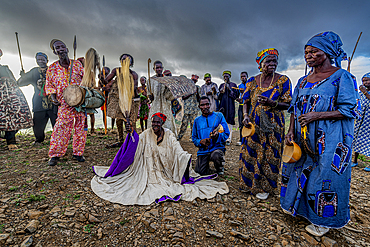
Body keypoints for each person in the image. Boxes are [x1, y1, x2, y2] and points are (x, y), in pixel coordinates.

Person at [281, 31, 359, 237]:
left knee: (326, 176)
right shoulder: (302, 81)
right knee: (299, 169)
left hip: (331, 139)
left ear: (327, 53)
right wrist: (290, 131)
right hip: (302, 136)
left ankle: (323, 221)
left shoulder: (343, 77)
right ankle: (300, 209)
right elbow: (293, 110)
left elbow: (349, 110)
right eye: (306, 52)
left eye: (314, 51)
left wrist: (317, 115)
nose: (308, 55)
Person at [91, 112, 229, 205]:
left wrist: (184, 157)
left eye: (158, 123)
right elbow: (136, 143)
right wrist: (131, 132)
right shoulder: (147, 133)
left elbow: (177, 149)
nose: (155, 125)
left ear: (162, 123)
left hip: (166, 170)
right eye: (153, 123)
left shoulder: (169, 135)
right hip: (149, 170)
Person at [240, 48, 292, 200]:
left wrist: (272, 103)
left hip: (274, 125)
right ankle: (248, 184)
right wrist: (245, 115)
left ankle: (266, 187)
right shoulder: (252, 81)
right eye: (268, 61)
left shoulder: (283, 80)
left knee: (269, 154)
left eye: (274, 61)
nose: (272, 64)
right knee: (252, 152)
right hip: (254, 124)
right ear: (260, 64)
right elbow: (245, 101)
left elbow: (288, 104)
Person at [45, 39, 85, 166]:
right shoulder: (52, 68)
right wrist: (53, 97)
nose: (61, 49)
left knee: (80, 127)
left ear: (67, 49)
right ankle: (56, 154)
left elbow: (85, 80)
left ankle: (78, 153)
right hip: (64, 102)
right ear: (54, 51)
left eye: (62, 46)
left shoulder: (77, 64)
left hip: (80, 101)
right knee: (61, 128)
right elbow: (49, 84)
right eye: (58, 48)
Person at [17, 52, 58, 145]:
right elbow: (20, 83)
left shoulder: (53, 71)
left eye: (42, 59)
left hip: (53, 102)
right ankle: (39, 140)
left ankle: (58, 140)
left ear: (47, 60)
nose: (40, 61)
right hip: (39, 102)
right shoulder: (33, 72)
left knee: (56, 122)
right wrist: (22, 77)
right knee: (37, 123)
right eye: (38, 60)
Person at [103, 54, 140, 148]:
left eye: (127, 60)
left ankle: (132, 140)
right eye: (123, 59)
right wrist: (102, 78)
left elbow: (134, 90)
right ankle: (120, 141)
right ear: (120, 61)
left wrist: (135, 101)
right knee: (119, 121)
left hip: (128, 100)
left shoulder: (133, 74)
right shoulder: (116, 70)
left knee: (130, 121)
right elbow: (106, 81)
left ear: (131, 63)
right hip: (117, 99)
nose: (125, 61)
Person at [0, 49, 33, 150]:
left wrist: (23, 77)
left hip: (8, 99)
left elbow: (15, 82)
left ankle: (11, 141)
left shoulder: (5, 69)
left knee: (10, 118)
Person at [192, 96, 230, 175]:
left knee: (217, 155)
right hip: (203, 151)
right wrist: (200, 141)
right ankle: (205, 166)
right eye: (202, 105)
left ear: (210, 104)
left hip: (217, 148)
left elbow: (226, 133)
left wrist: (217, 136)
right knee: (199, 172)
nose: (205, 107)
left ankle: (219, 167)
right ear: (199, 106)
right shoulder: (197, 121)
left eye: (207, 104)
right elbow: (194, 138)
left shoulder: (219, 116)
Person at [148, 60, 177, 137]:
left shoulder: (167, 80)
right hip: (155, 105)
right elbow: (149, 94)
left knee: (166, 122)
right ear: (154, 69)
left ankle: (167, 138)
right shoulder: (150, 80)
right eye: (157, 68)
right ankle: (154, 137)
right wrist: (150, 97)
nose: (159, 69)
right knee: (155, 121)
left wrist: (170, 87)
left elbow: (170, 96)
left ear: (162, 68)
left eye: (160, 67)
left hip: (165, 105)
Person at [352, 72, 370, 171]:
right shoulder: (360, 94)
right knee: (357, 138)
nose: (365, 82)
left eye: (367, 80)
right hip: (360, 120)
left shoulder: (365, 93)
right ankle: (354, 161)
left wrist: (365, 92)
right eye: (363, 81)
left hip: (368, 121)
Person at [177, 74, 201, 141]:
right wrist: (191, 92)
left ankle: (192, 137)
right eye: (193, 80)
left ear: (196, 81)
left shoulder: (198, 87)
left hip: (194, 109)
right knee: (184, 123)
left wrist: (197, 92)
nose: (193, 81)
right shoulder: (187, 88)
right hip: (186, 109)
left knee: (193, 125)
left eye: (195, 80)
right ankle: (179, 136)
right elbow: (183, 97)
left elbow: (199, 99)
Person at [219, 71, 239, 145]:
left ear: (229, 77)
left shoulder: (233, 85)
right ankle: (222, 138)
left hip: (230, 106)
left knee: (229, 122)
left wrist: (229, 90)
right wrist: (220, 93)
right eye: (224, 76)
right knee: (222, 122)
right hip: (222, 106)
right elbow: (218, 97)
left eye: (227, 76)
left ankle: (229, 139)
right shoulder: (221, 85)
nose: (225, 78)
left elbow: (236, 96)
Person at [236, 71, 248, 146]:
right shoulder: (239, 86)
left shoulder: (249, 85)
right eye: (241, 77)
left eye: (244, 76)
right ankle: (241, 140)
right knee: (241, 124)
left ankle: (247, 140)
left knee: (248, 122)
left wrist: (244, 91)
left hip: (248, 106)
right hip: (241, 106)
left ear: (247, 76)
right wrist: (238, 99)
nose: (243, 78)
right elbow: (238, 96)